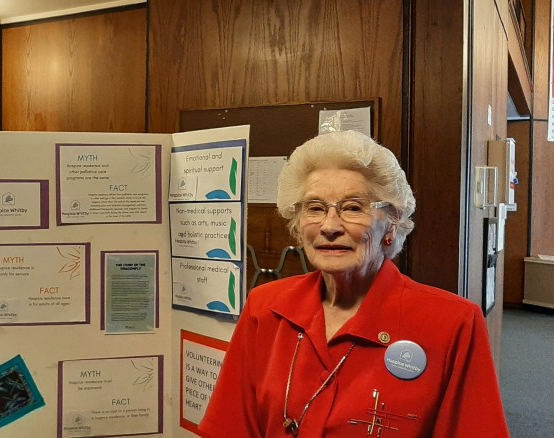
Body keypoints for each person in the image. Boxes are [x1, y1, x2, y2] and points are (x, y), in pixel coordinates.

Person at [199, 131, 509, 437]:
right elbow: (230, 426)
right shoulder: (265, 307)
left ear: (391, 223)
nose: (330, 226)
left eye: (352, 208)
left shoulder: (453, 324)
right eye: (315, 208)